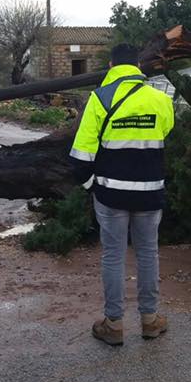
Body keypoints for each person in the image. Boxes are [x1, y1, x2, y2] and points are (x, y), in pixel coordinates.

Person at [69, 43, 175, 346]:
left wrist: (93, 187)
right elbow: (164, 133)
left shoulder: (99, 99)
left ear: (112, 65)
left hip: (111, 196)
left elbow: (79, 158)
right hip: (150, 194)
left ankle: (113, 324)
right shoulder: (160, 100)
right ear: (138, 67)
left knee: (113, 256)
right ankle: (150, 320)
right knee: (148, 254)